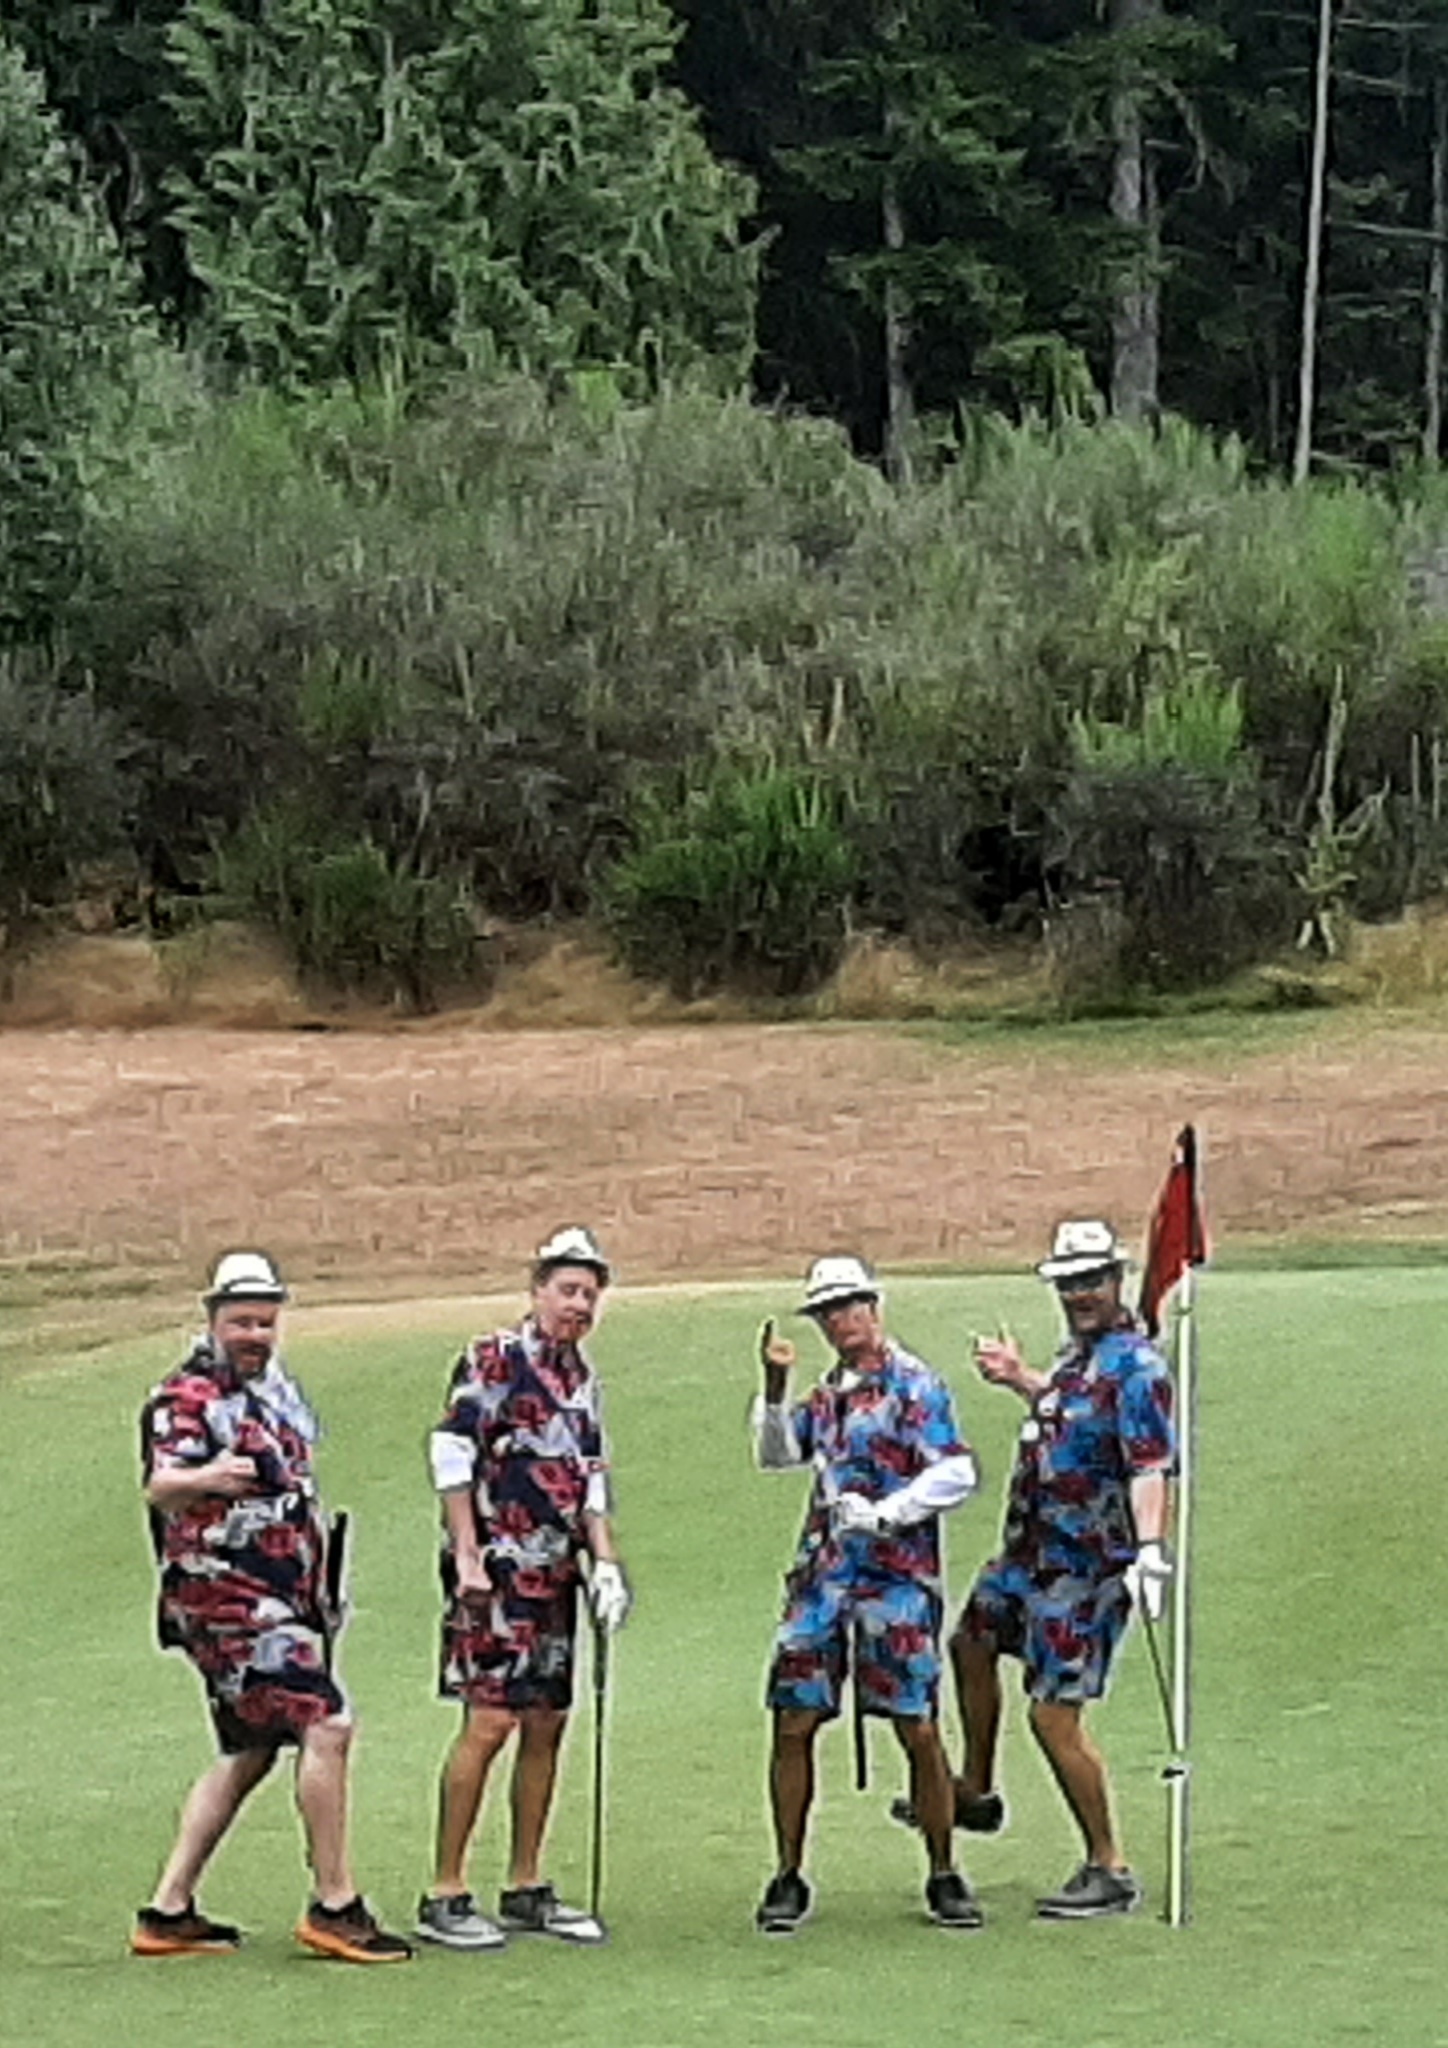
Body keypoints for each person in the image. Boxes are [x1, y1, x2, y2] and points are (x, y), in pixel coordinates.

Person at [133, 1252, 411, 1963]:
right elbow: (161, 1485)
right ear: (213, 1321)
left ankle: (167, 1911)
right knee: (327, 1722)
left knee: (249, 1749)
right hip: (226, 1599)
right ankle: (335, 1904)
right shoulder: (187, 1396)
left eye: (264, 1321)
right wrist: (209, 1475)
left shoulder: (275, 1394)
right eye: (241, 1322)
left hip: (280, 1596)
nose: (255, 1334)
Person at [946, 1218, 1175, 1919]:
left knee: (1053, 1715)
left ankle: (1109, 1865)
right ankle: (977, 1791)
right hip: (1030, 1556)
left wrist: (1150, 1550)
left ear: (1116, 1281)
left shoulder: (1137, 1368)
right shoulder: (1079, 1360)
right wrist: (1022, 1379)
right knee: (970, 1641)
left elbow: (1149, 1464)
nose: (1079, 1293)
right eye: (1069, 1282)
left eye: (1091, 1281)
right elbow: (1070, 1415)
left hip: (1086, 1570)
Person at [752, 1254, 983, 1934]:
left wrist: (887, 1513)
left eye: (849, 1306)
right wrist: (774, 1390)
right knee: (793, 1718)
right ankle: (788, 1872)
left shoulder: (916, 1385)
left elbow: (956, 1471)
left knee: (916, 1724)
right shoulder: (828, 1395)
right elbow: (777, 1453)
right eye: (828, 1312)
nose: (840, 1321)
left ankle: (943, 1869)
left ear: (873, 1307)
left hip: (897, 1578)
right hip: (824, 1577)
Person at [416, 1227, 630, 1951]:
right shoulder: (495, 1358)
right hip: (495, 1572)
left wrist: (605, 1563)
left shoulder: (581, 1377)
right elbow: (452, 1451)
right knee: (489, 1720)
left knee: (546, 1721)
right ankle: (446, 1890)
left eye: (589, 1295)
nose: (578, 1306)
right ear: (538, 1290)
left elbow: (590, 1475)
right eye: (567, 1290)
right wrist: (466, 1554)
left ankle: (525, 1883)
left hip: (555, 1575)